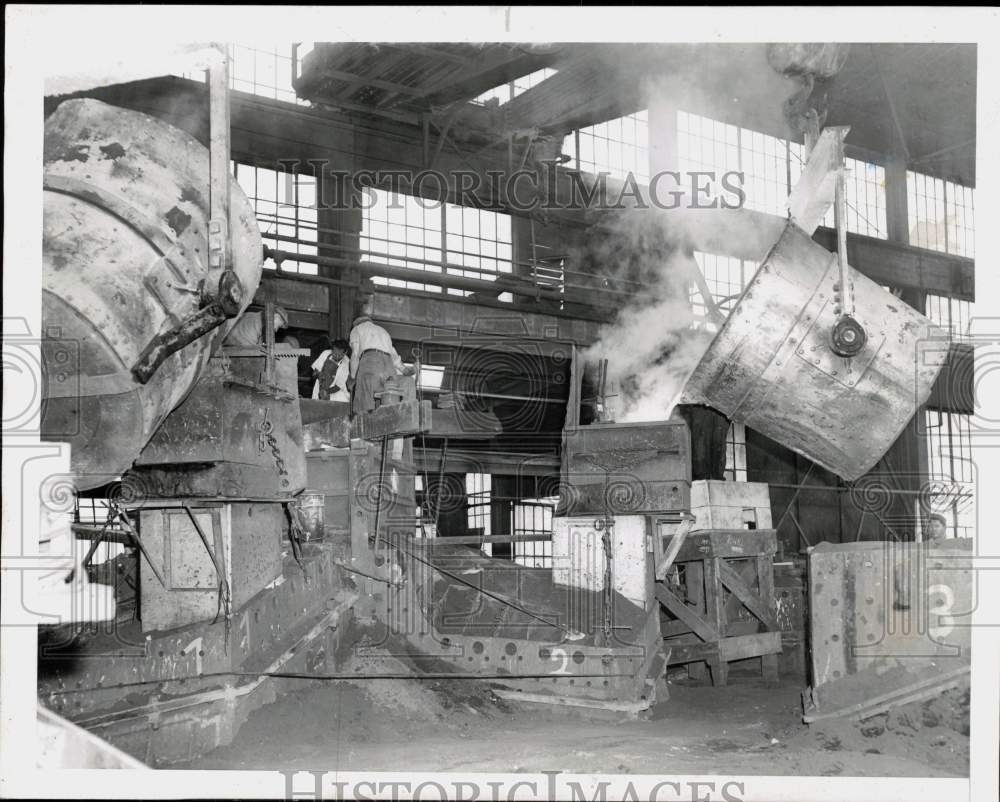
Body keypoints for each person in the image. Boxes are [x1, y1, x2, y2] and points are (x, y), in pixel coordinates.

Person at [348, 311, 413, 415]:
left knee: (364, 394)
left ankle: (366, 422)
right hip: (389, 366)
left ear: (355, 323)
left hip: (371, 361)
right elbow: (393, 355)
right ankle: (398, 419)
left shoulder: (357, 329)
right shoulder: (383, 331)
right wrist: (405, 370)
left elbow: (355, 355)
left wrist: (352, 377)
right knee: (390, 394)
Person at [224, 306, 289, 347]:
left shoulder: (254, 316)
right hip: (233, 342)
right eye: (278, 326)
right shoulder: (257, 322)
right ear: (276, 316)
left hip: (227, 338)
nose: (276, 330)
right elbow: (251, 347)